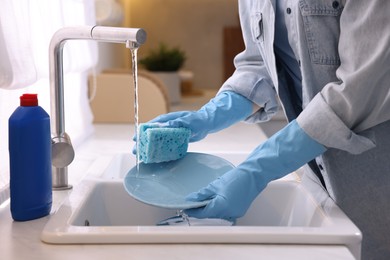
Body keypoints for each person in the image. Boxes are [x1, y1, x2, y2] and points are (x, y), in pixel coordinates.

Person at [144, 1, 390, 259]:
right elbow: (260, 63)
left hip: (376, 180)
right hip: (318, 176)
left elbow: (359, 87)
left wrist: (259, 167)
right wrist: (208, 116)